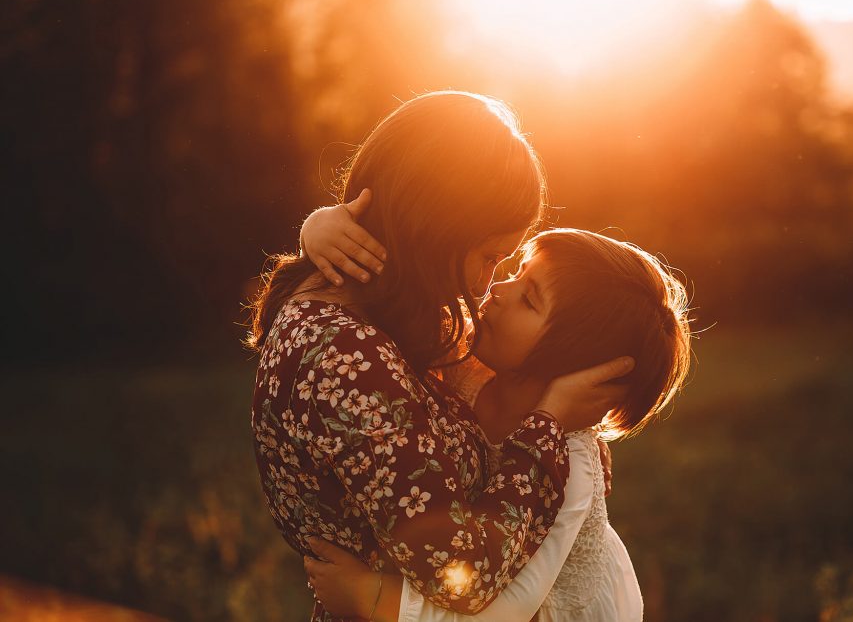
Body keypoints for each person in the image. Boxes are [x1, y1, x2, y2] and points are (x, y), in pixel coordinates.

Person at [249, 91, 632, 621]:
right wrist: (547, 427)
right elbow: (465, 575)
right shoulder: (345, 356)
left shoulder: (385, 325)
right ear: (434, 227)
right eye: (490, 257)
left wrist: (317, 228)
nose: (488, 285)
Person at [301, 227, 692, 621]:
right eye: (518, 270)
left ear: (570, 362)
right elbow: (393, 293)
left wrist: (373, 599)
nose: (501, 289)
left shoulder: (571, 468)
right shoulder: (464, 364)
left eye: (529, 299)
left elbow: (508, 612)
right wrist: (318, 232)